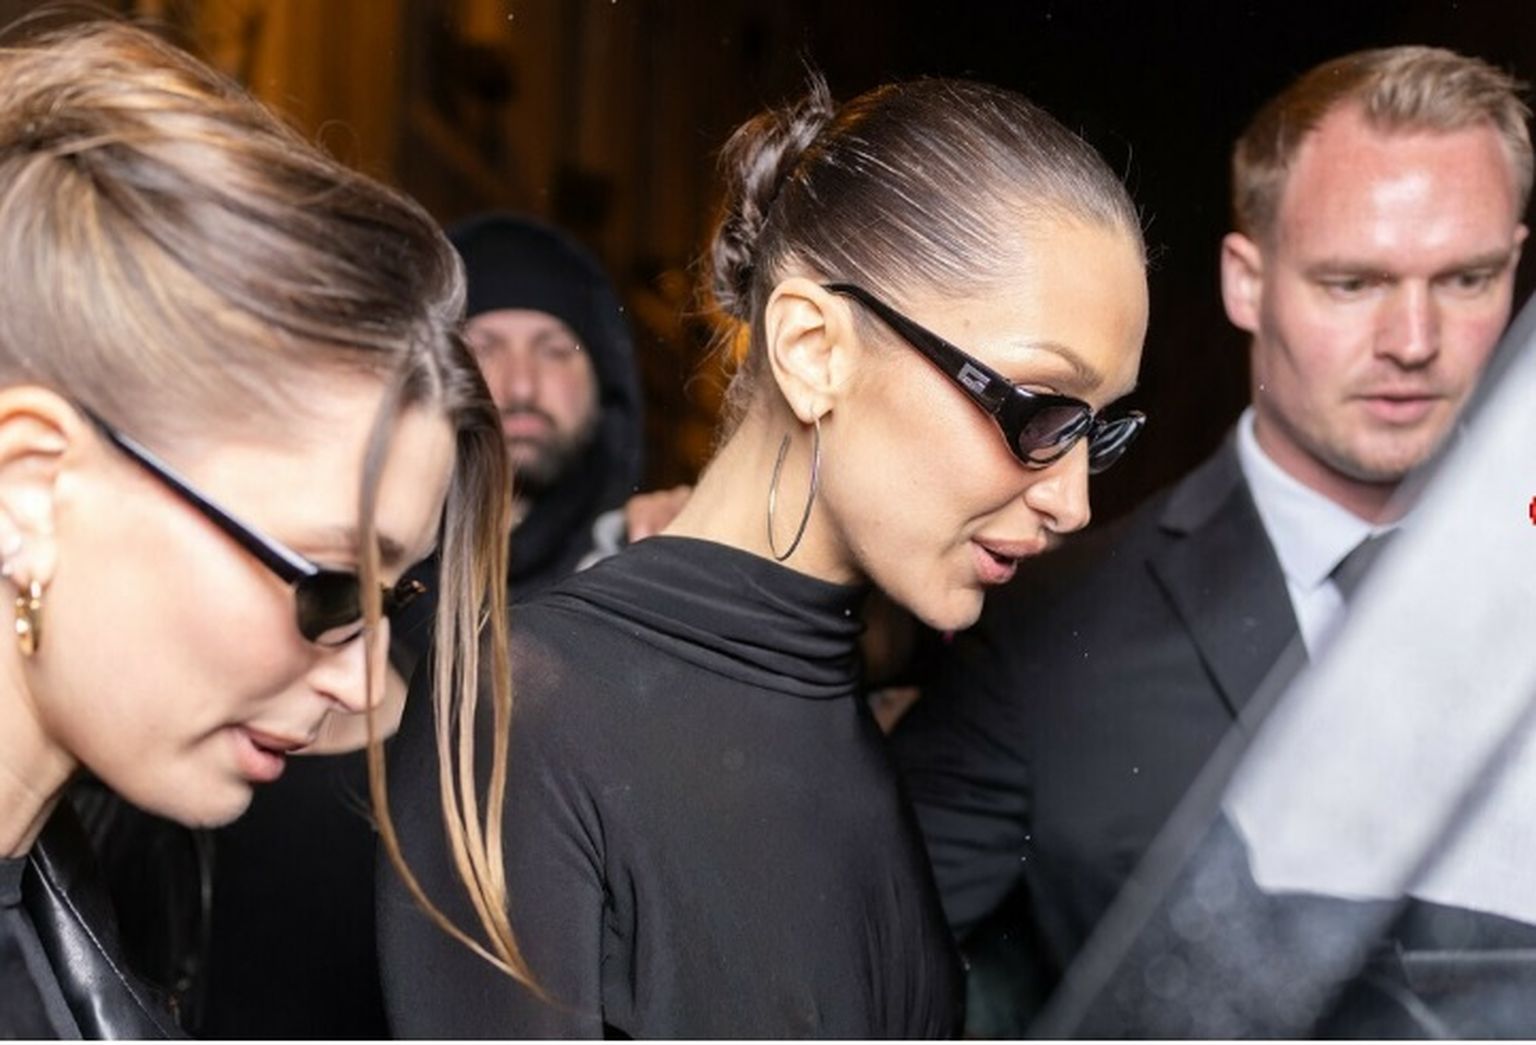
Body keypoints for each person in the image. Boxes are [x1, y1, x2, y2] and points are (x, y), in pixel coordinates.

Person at [380, 73, 1150, 1037]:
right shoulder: (520, 710)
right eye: (1038, 413)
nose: (1073, 501)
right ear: (812, 348)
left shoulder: (861, 732)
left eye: (1098, 432)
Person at [891, 45, 1531, 1035]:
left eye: (1467, 278)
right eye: (1353, 283)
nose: (1414, 340)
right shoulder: (1046, 634)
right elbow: (842, 973)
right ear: (1245, 281)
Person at [0, 16, 521, 1037]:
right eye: (329, 586)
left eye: (392, 599)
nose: (364, 684)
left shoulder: (56, 916)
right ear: (29, 487)